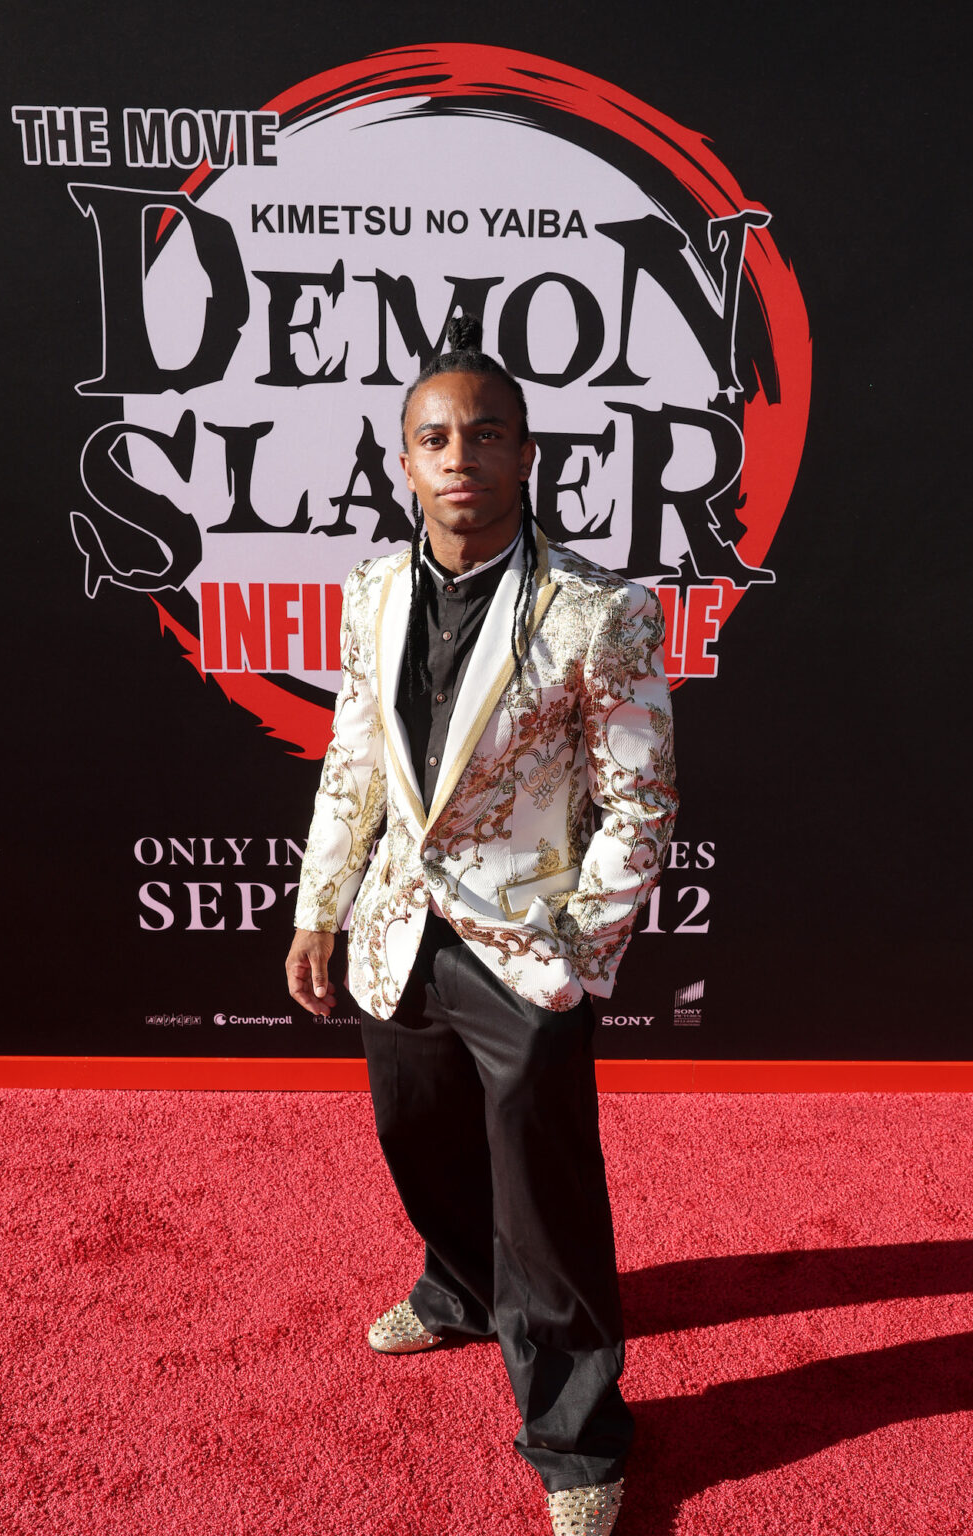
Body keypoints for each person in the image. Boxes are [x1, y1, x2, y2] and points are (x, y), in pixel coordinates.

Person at [286, 316, 677, 1536]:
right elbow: (354, 759)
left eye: (485, 434)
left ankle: (577, 1444)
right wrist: (320, 905)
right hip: (396, 932)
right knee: (419, 1143)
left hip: (523, 948)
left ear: (525, 455)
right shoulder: (371, 590)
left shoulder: (596, 609)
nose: (459, 456)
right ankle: (459, 1291)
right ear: (404, 460)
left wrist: (574, 955)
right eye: (434, 438)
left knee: (545, 1208)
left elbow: (640, 799)